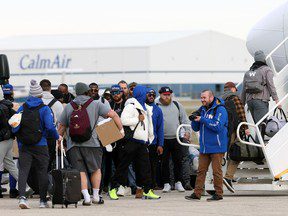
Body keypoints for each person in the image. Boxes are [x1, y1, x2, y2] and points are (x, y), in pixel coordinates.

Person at [58, 82, 123, 206]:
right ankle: (96, 196)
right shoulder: (96, 104)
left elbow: (62, 125)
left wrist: (59, 138)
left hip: (74, 144)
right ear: (87, 91)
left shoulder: (69, 106)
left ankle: (86, 197)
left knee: (80, 171)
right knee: (96, 169)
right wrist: (120, 130)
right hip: (92, 143)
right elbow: (113, 115)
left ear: (75, 92)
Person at [13, 80, 61, 209]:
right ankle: (42, 201)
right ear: (40, 95)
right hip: (41, 144)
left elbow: (15, 126)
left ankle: (22, 198)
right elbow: (50, 127)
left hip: (24, 145)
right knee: (42, 171)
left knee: (23, 171)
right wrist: (57, 136)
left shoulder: (23, 107)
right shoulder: (45, 109)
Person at [109, 85, 160, 200]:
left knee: (145, 168)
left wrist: (150, 138)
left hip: (142, 142)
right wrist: (137, 119)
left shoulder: (145, 107)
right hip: (131, 142)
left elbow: (148, 124)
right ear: (140, 94)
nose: (147, 95)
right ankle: (113, 188)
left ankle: (147, 190)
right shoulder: (131, 106)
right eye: (145, 93)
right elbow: (123, 120)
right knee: (123, 167)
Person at [185, 89, 228, 201]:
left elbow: (217, 126)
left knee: (216, 171)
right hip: (205, 146)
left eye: (204, 97)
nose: (202, 100)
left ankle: (219, 193)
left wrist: (202, 119)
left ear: (211, 97)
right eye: (201, 97)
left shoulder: (220, 109)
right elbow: (195, 128)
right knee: (201, 170)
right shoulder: (202, 109)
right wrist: (195, 119)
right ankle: (197, 193)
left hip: (217, 146)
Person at [155, 86, 191, 193]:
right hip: (162, 140)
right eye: (164, 95)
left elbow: (185, 120)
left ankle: (178, 182)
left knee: (178, 161)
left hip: (176, 138)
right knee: (164, 162)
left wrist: (188, 132)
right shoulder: (156, 106)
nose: (166, 97)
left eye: (168, 95)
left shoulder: (177, 105)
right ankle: (166, 183)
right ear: (160, 94)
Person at [241, 50, 280, 138]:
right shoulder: (267, 70)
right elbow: (271, 85)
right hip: (261, 101)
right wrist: (277, 100)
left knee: (258, 127)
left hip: (250, 102)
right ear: (264, 59)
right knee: (261, 128)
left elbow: (243, 89)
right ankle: (260, 151)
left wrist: (242, 104)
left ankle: (259, 149)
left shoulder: (250, 71)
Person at [221, 82, 250, 193]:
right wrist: (246, 127)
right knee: (237, 153)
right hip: (234, 131)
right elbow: (241, 113)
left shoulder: (220, 100)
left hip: (224, 131)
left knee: (229, 153)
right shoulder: (235, 98)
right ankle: (228, 177)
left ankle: (228, 176)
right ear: (232, 89)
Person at [40, 79, 64, 171]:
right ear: (50, 88)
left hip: (37, 137)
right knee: (49, 162)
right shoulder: (58, 104)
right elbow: (61, 123)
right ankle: (49, 181)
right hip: (52, 137)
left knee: (39, 163)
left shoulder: (37, 102)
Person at [0, 88, 18, 199]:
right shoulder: (9, 106)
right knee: (11, 165)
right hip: (9, 139)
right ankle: (26, 186)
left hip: (1, 140)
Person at [146, 89, 164, 190]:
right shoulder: (142, 108)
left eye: (153, 95)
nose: (151, 96)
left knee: (153, 166)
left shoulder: (157, 110)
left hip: (153, 143)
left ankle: (152, 185)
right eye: (149, 95)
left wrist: (160, 144)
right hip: (142, 143)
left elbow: (160, 128)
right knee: (143, 166)